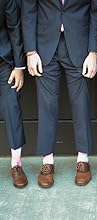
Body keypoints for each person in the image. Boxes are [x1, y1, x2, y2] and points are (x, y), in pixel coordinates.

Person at [21, 0, 97, 188]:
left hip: (79, 46)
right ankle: (47, 161)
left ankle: (83, 159)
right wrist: (30, 52)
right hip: (44, 46)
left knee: (80, 102)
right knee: (46, 104)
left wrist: (94, 52)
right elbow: (29, 11)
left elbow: (96, 12)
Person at [0, 0, 27, 188]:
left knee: (12, 106)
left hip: (4, 60)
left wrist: (19, 66)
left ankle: (16, 164)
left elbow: (14, 27)